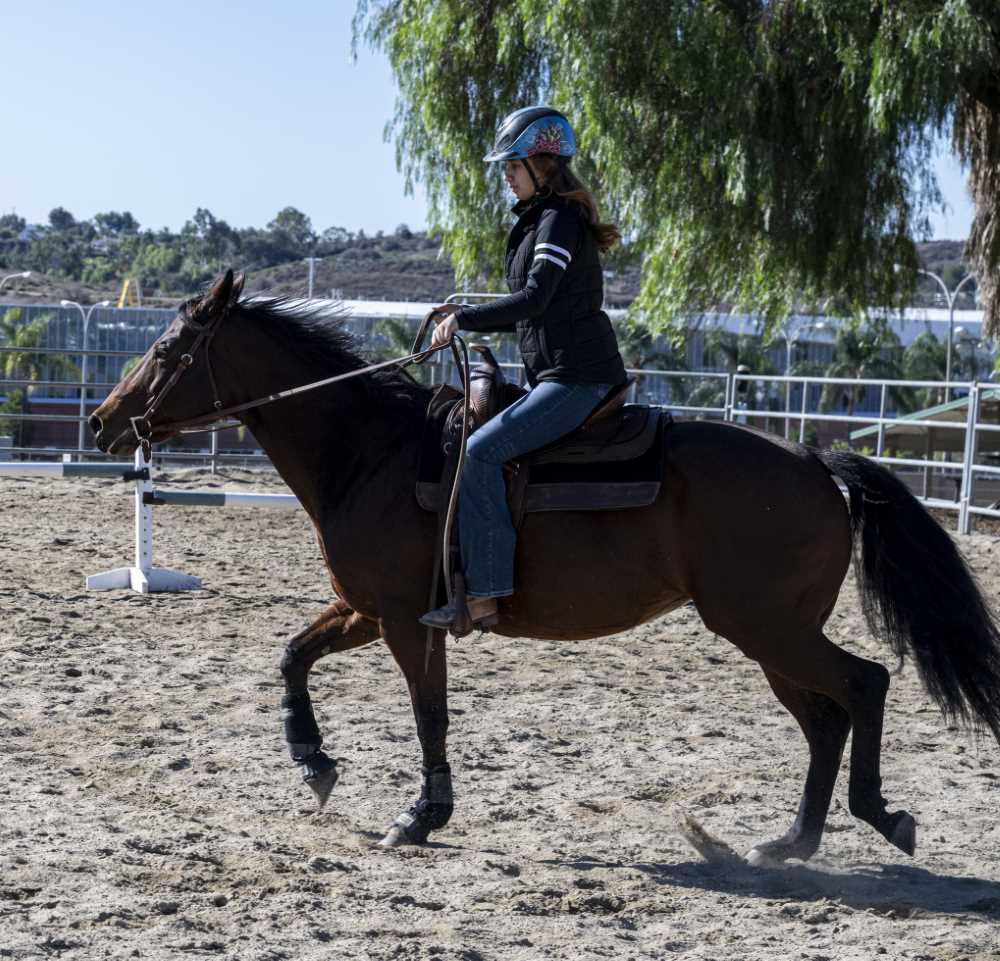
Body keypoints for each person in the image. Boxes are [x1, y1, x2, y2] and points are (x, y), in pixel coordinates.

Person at [419, 105, 627, 632]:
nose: (506, 177)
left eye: (512, 166)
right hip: (555, 375)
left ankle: (484, 596)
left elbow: (534, 299)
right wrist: (465, 314)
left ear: (543, 164)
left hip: (578, 378)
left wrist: (464, 316)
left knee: (481, 452)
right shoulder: (542, 220)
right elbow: (534, 307)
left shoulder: (557, 221)